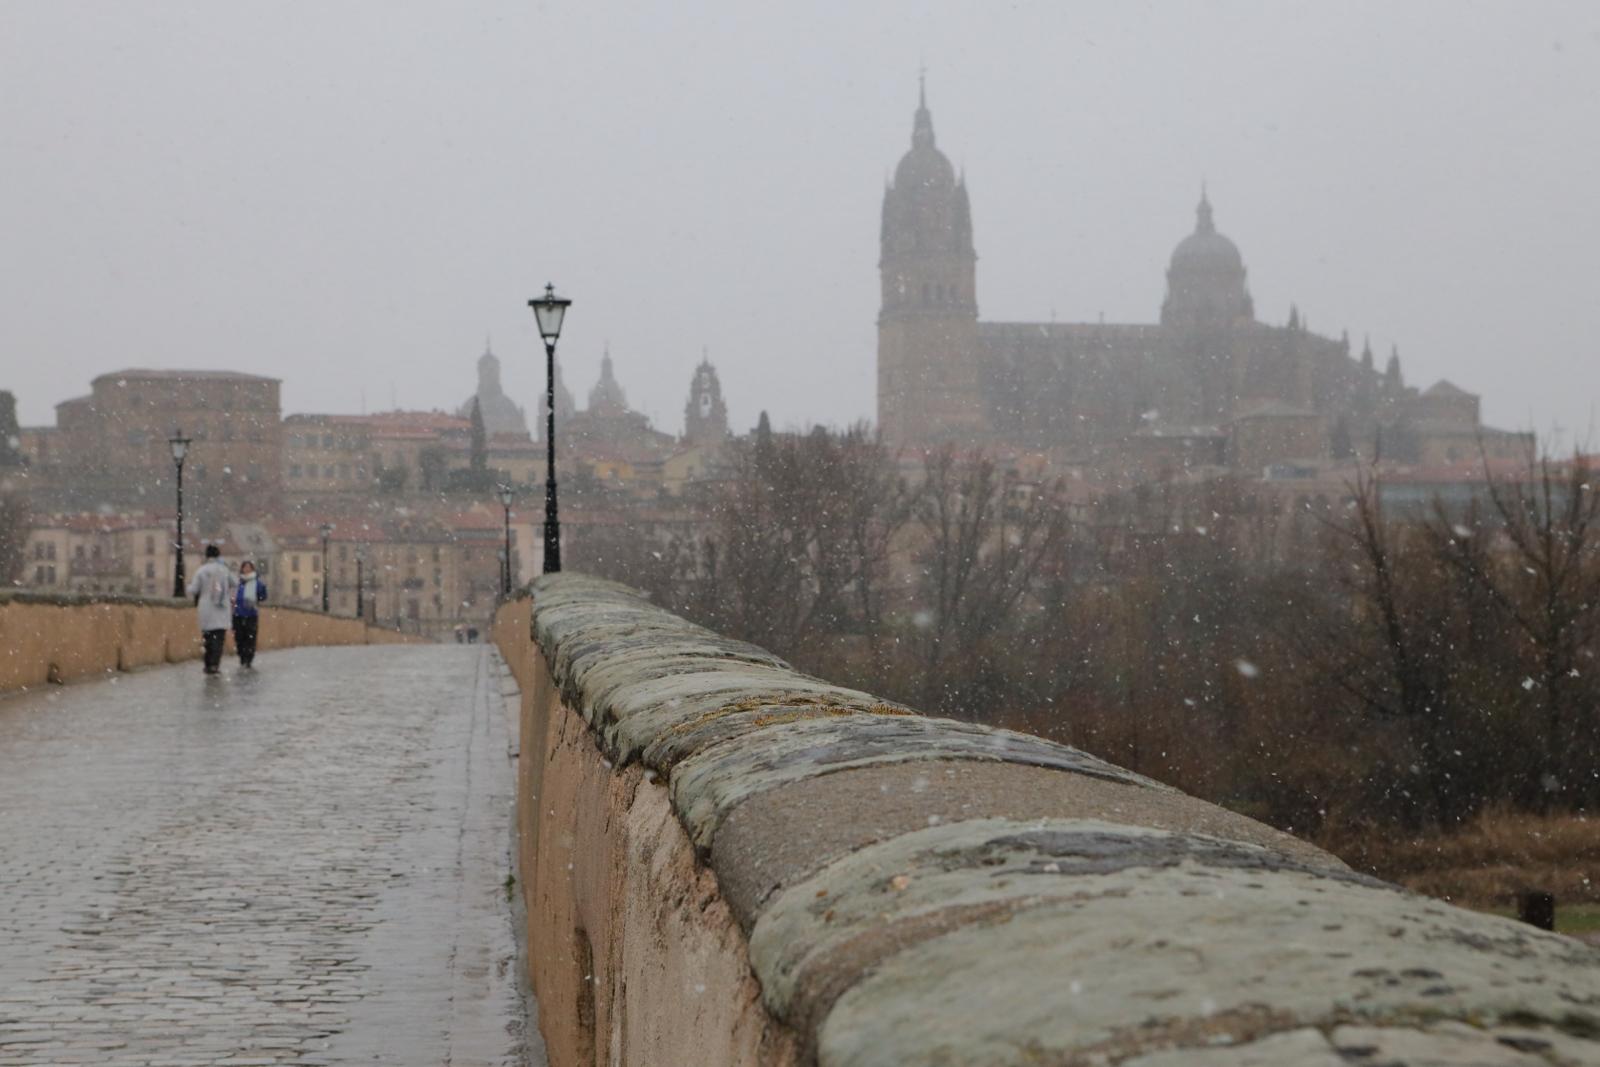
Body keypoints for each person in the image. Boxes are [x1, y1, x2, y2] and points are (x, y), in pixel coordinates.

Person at [186, 544, 237, 675]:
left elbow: (194, 589)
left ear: (206, 555)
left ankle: (208, 663)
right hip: (221, 608)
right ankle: (215, 663)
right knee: (219, 638)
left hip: (206, 608)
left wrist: (187, 586)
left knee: (208, 637)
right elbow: (235, 582)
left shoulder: (201, 570)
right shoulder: (224, 569)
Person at [232, 559, 267, 669]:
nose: (246, 570)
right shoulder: (237, 582)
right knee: (239, 638)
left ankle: (248, 659)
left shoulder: (257, 583)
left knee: (250, 638)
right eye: (245, 567)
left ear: (252, 569)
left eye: (249, 567)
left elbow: (263, 597)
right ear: (242, 569)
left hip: (251, 614)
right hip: (238, 614)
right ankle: (242, 657)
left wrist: (262, 590)